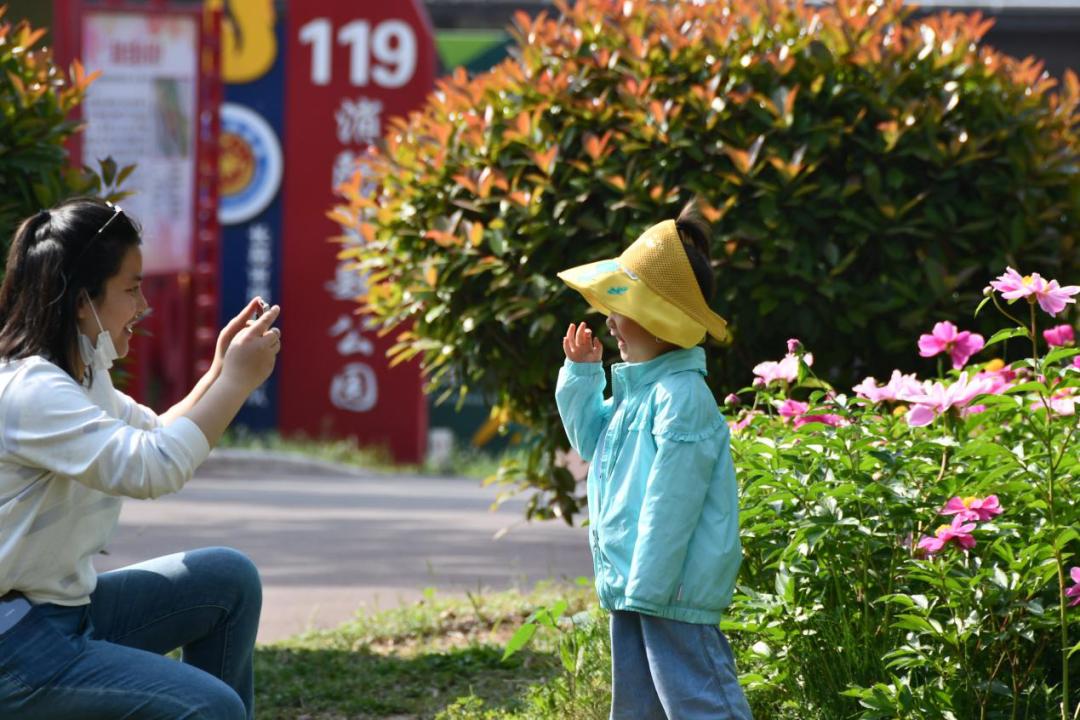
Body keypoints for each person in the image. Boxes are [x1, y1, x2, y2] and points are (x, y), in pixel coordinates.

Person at [0, 198, 281, 719]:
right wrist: (239, 384)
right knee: (209, 706)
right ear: (83, 301)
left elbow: (154, 432)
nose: (143, 306)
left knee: (227, 580)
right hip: (14, 647)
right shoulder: (29, 390)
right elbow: (152, 467)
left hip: (62, 615)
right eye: (131, 289)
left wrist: (219, 372)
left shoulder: (81, 377)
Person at [555, 203, 753, 719]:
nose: (610, 320)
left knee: (698, 701)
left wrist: (650, 584)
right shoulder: (636, 392)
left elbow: (674, 500)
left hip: (669, 588)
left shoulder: (680, 396)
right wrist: (581, 376)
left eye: (621, 305)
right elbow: (590, 443)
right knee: (643, 709)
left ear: (660, 321)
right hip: (637, 585)